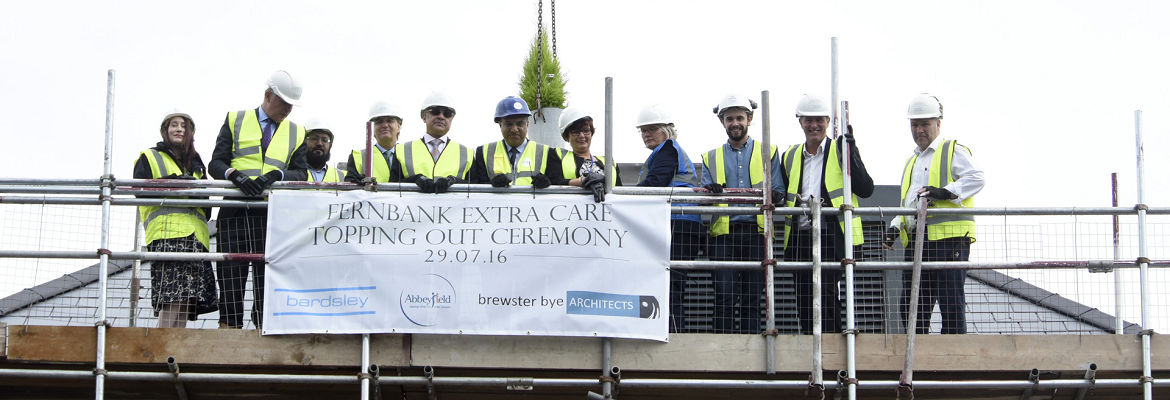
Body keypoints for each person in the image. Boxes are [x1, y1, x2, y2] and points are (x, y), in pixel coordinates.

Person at [208, 70, 309, 329]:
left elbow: (301, 172)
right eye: (284, 102)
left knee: (267, 286)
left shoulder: (298, 132)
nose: (287, 109)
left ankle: (262, 340)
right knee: (230, 281)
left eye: (291, 105)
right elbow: (216, 163)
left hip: (272, 216)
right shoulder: (235, 119)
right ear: (267, 96)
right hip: (234, 212)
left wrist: (275, 175)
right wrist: (235, 176)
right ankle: (228, 337)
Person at [884, 93, 984, 334]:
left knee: (950, 302)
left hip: (949, 240)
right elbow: (907, 203)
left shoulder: (952, 150)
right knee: (912, 304)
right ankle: (917, 357)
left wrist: (946, 192)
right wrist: (895, 226)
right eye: (914, 125)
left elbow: (977, 178)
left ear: (938, 124)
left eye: (925, 124)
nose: (919, 130)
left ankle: (953, 356)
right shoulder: (912, 161)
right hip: (918, 241)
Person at [779, 93, 874, 335]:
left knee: (827, 292)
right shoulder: (790, 155)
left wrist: (851, 153)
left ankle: (830, 348)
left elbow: (866, 189)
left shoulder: (840, 150)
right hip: (800, 235)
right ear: (800, 122)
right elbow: (782, 194)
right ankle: (812, 345)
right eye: (808, 120)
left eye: (819, 120)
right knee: (803, 296)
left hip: (832, 233)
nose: (814, 125)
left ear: (828, 122)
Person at [699, 94, 781, 334]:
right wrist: (711, 193)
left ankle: (751, 353)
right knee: (724, 296)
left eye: (739, 118)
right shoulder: (710, 157)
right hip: (723, 236)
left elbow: (778, 191)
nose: (735, 123)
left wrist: (775, 196)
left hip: (757, 234)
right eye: (729, 118)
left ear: (750, 119)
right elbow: (703, 200)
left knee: (752, 299)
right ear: (722, 122)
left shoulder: (769, 152)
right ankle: (723, 350)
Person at [133, 109, 218, 328]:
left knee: (187, 301)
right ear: (165, 131)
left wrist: (190, 187)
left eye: (184, 126)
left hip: (196, 238)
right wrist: (179, 183)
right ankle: (163, 347)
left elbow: (206, 207)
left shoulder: (197, 164)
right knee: (172, 298)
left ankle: (174, 348)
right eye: (174, 125)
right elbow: (140, 190)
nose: (179, 129)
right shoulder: (150, 156)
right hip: (167, 235)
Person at [635, 104, 703, 333]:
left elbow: (655, 183)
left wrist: (623, 196)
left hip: (678, 223)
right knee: (670, 285)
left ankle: (672, 334)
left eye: (652, 128)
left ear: (667, 130)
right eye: (643, 130)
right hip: (680, 223)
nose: (646, 134)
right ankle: (670, 331)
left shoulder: (667, 150)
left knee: (669, 285)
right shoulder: (667, 151)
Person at [470, 96, 563, 188]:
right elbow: (477, 188)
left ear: (527, 124)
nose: (514, 129)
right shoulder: (483, 152)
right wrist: (491, 185)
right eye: (508, 124)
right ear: (500, 125)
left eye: (520, 124)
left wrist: (547, 183)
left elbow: (557, 186)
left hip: (532, 203)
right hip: (496, 203)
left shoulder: (546, 152)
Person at [391, 92, 474, 193]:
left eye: (446, 114)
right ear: (424, 117)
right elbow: (392, 187)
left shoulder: (467, 153)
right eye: (435, 112)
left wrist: (454, 181)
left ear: (451, 120)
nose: (441, 116)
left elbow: (475, 187)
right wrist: (415, 179)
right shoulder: (402, 150)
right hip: (414, 207)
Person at [556, 107, 621, 202]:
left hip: (606, 213)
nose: (582, 135)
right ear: (567, 137)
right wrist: (583, 181)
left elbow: (620, 192)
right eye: (576, 132)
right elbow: (554, 181)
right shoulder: (558, 156)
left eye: (586, 130)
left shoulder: (609, 162)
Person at [347, 101, 402, 184]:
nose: (384, 125)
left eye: (389, 121)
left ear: (398, 127)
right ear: (371, 128)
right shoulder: (358, 157)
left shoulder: (410, 155)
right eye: (379, 122)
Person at [302, 117, 341, 183]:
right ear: (303, 142)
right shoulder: (293, 172)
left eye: (324, 140)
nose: (319, 143)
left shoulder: (341, 176)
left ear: (330, 145)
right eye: (314, 138)